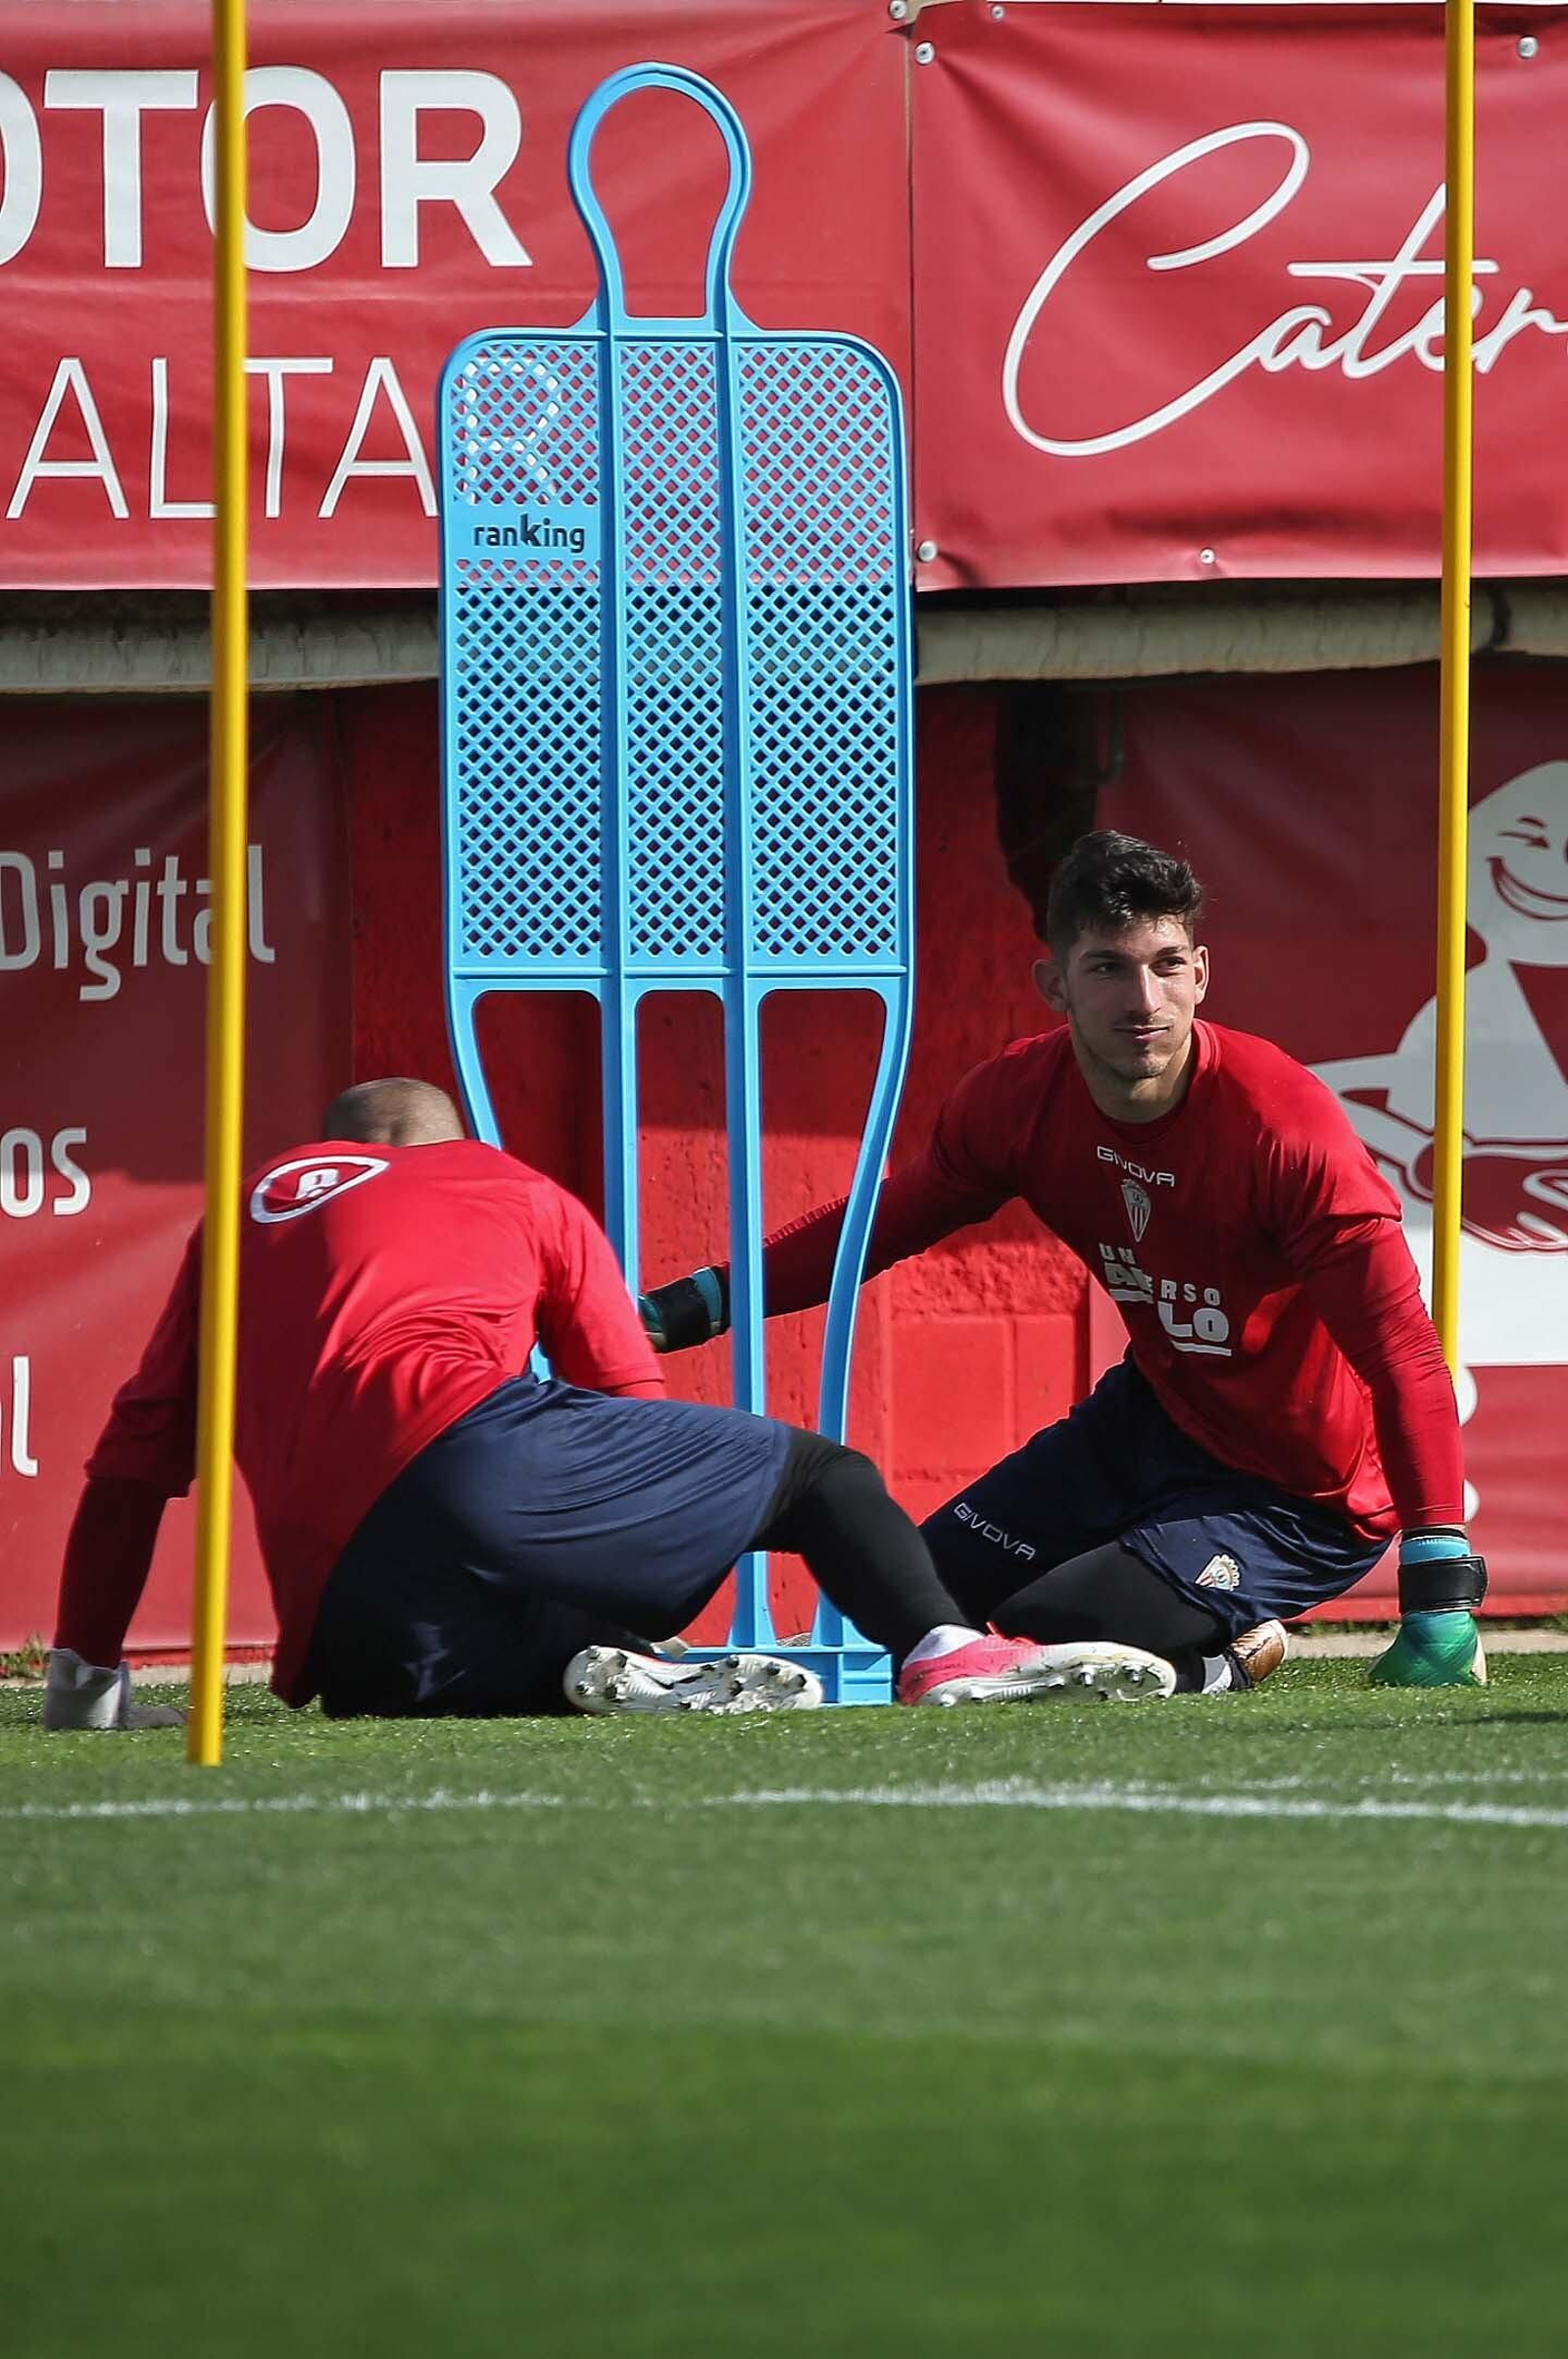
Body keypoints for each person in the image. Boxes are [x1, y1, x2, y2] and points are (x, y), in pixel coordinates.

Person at [45, 1077, 1177, 1732]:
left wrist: (86, 1671)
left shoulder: (241, 1213)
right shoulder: (512, 1184)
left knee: (444, 1663)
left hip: (338, 1609)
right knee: (817, 1474)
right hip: (473, 1454)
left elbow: (134, 1461)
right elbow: (621, 1396)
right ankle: (940, 1649)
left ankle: (595, 1667)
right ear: (449, 1142)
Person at [641, 831, 1489, 1693]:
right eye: (1109, 968)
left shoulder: (1287, 1131)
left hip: (1304, 1492)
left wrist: (1440, 1594)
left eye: (1165, 965)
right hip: (1155, 1416)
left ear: (1201, 973)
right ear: (1056, 986)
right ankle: (1193, 1639)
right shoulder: (1014, 1099)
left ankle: (1224, 1665)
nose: (1144, 999)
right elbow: (879, 1226)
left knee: (1066, 1621)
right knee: (919, 1596)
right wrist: (686, 1307)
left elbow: (1405, 1353)